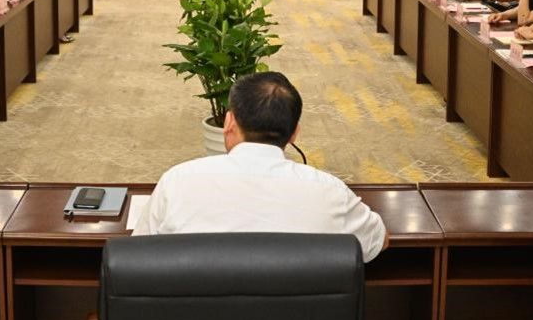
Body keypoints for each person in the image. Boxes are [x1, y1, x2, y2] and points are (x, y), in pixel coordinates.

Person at [133, 72, 389, 262]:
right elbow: (379, 240)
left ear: (229, 122)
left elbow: (138, 255)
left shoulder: (178, 182)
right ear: (294, 134)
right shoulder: (330, 192)